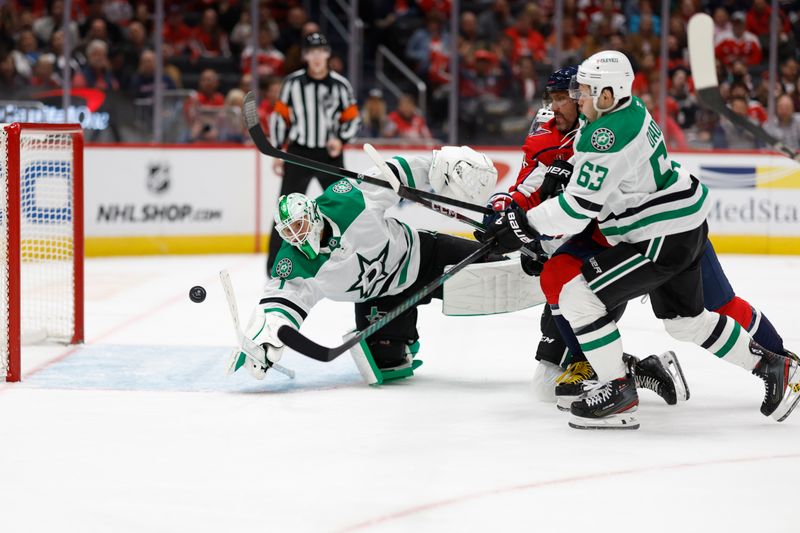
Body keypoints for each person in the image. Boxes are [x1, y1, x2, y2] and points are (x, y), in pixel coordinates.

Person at [485, 51, 800, 430]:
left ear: (606, 93)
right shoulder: (625, 109)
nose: (575, 96)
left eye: (583, 90)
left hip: (657, 235)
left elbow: (577, 209)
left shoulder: (606, 134)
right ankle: (775, 367)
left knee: (573, 290)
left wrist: (524, 225)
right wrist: (542, 190)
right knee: (686, 322)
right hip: (680, 224)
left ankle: (618, 389)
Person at [232, 147, 497, 384]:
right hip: (381, 299)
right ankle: (404, 337)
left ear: (313, 214)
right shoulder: (294, 263)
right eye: (289, 233)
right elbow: (279, 300)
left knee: (496, 267)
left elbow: (392, 173)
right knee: (388, 363)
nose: (297, 237)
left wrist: (439, 167)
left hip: (421, 257)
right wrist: (264, 339)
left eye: (299, 226)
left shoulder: (346, 201)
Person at [267, 32, 361, 274]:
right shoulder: (292, 83)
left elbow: (352, 118)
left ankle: (354, 257)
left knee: (345, 204)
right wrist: (279, 151)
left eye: (321, 51)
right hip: (298, 153)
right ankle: (274, 267)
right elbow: (281, 117)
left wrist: (340, 140)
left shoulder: (340, 85)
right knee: (285, 211)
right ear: (305, 56)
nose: (317, 56)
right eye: (312, 52)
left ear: (327, 54)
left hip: (329, 155)